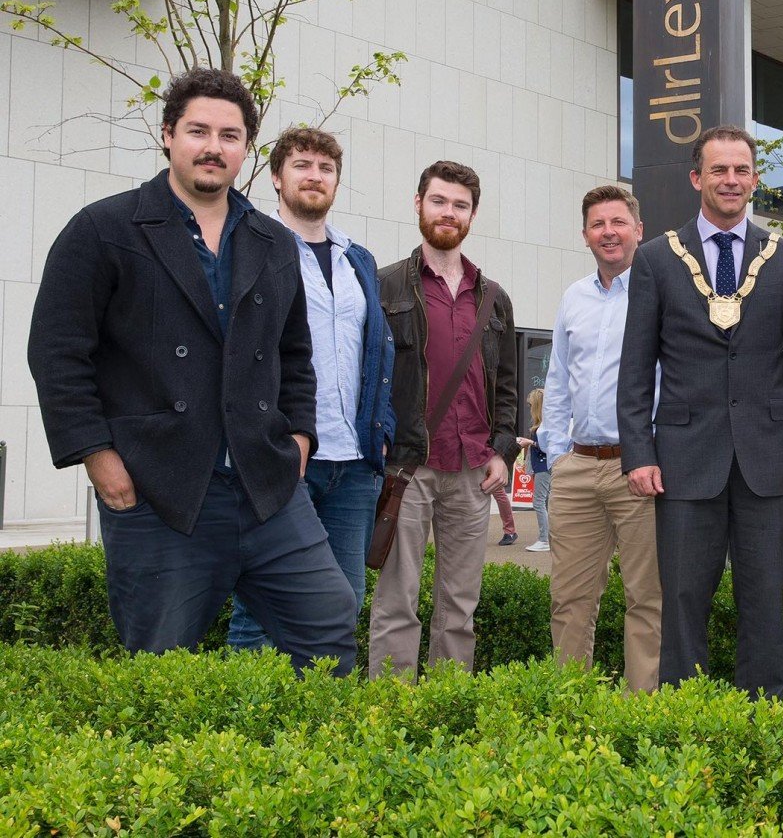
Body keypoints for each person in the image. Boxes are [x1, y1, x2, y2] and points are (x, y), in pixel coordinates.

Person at [27, 67, 356, 673]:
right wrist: (98, 456)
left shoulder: (272, 241)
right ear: (167, 135)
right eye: (198, 130)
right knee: (159, 663)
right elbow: (57, 352)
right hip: (159, 487)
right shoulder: (103, 229)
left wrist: (301, 434)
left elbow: (294, 354)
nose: (213, 147)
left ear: (247, 149)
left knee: (329, 628)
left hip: (265, 485)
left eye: (230, 135)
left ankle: (306, 764)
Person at [618, 125, 783, 699]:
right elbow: (636, 369)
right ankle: (688, 725)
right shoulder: (657, 259)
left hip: (767, 463)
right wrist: (638, 452)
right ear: (697, 178)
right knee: (682, 600)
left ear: (755, 179)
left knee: (764, 598)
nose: (730, 180)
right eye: (718, 170)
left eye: (741, 170)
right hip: (684, 461)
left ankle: (762, 724)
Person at [227, 126, 397, 651]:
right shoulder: (248, 249)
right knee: (260, 607)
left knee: (341, 602)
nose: (314, 176)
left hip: (354, 463)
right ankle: (249, 726)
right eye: (301, 165)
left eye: (325, 169)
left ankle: (321, 723)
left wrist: (382, 430)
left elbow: (379, 351)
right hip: (281, 458)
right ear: (277, 177)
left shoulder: (357, 260)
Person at [369, 160, 518, 679]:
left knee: (460, 609)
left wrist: (503, 450)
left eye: (460, 205)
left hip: (473, 471)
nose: (448, 213)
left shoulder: (494, 297)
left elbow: (509, 387)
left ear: (473, 215)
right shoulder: (384, 285)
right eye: (439, 201)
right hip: (407, 469)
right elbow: (370, 375)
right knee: (396, 603)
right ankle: (388, 713)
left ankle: (447, 709)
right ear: (418, 204)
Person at [539, 185, 662, 690]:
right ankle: (572, 707)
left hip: (640, 470)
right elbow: (558, 377)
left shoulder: (662, 292)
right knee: (569, 599)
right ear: (585, 234)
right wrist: (556, 449)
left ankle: (642, 715)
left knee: (646, 601)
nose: (608, 232)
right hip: (577, 469)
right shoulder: (574, 297)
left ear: (639, 229)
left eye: (618, 222)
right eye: (598, 224)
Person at [515, 388, 552, 552]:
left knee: (539, 502)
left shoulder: (543, 426)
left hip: (543, 467)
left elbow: (547, 448)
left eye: (531, 405)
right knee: (546, 502)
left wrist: (529, 443)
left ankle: (544, 539)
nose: (529, 408)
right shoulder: (547, 423)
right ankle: (549, 537)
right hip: (545, 466)